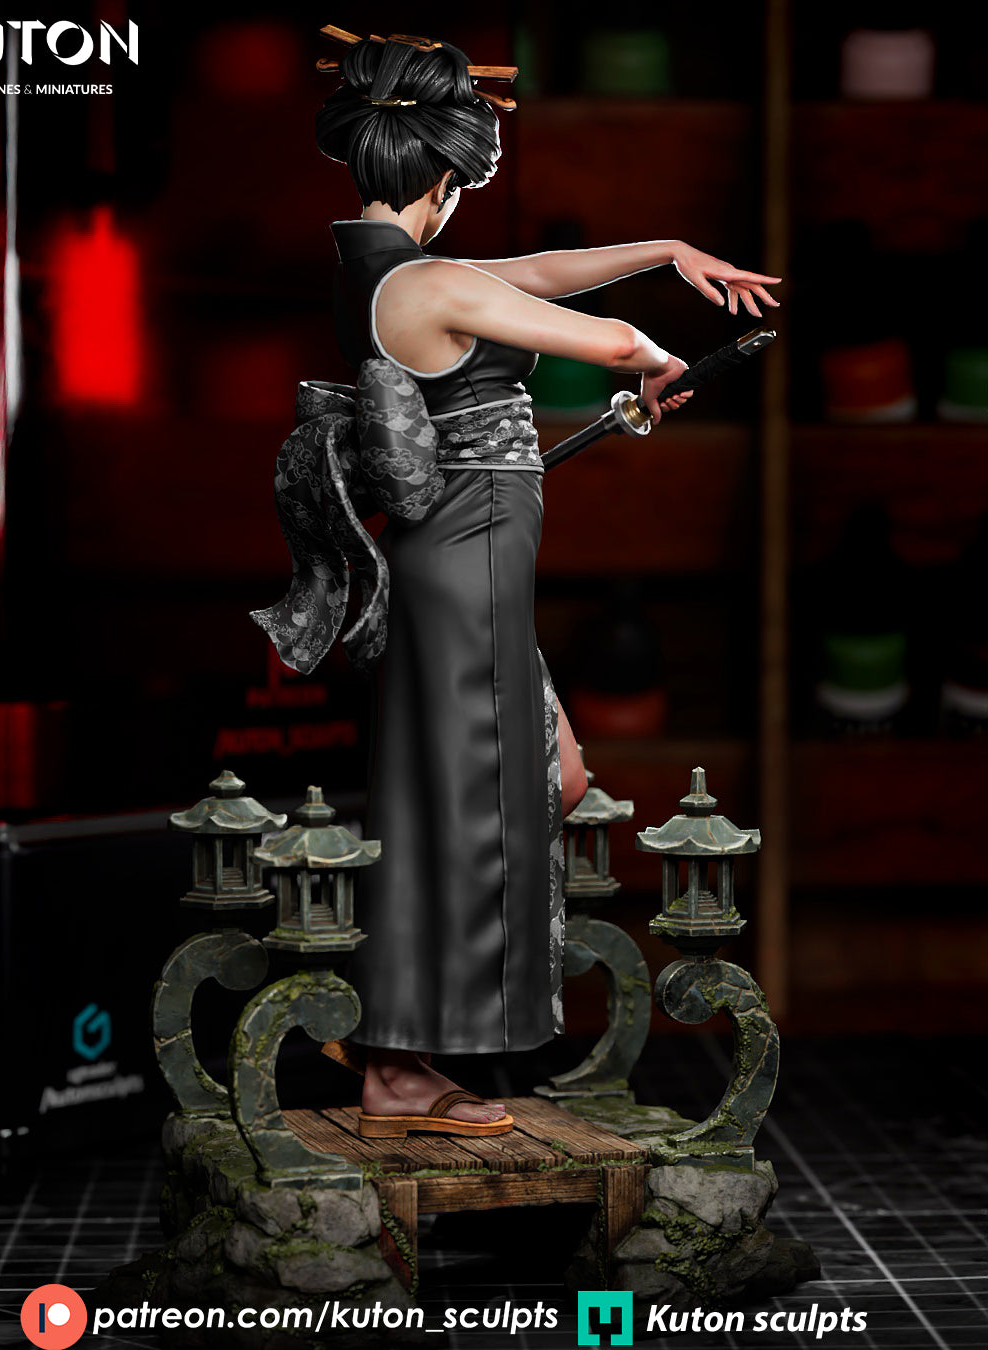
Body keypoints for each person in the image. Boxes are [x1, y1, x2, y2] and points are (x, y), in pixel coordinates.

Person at [302, 30, 780, 1137]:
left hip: (475, 565)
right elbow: (603, 340)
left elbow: (539, 275)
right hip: (459, 564)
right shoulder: (417, 283)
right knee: (463, 806)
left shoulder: (400, 271)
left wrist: (666, 249)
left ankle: (392, 1034)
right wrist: (653, 358)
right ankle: (396, 1067)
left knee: (549, 779)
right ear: (443, 174)